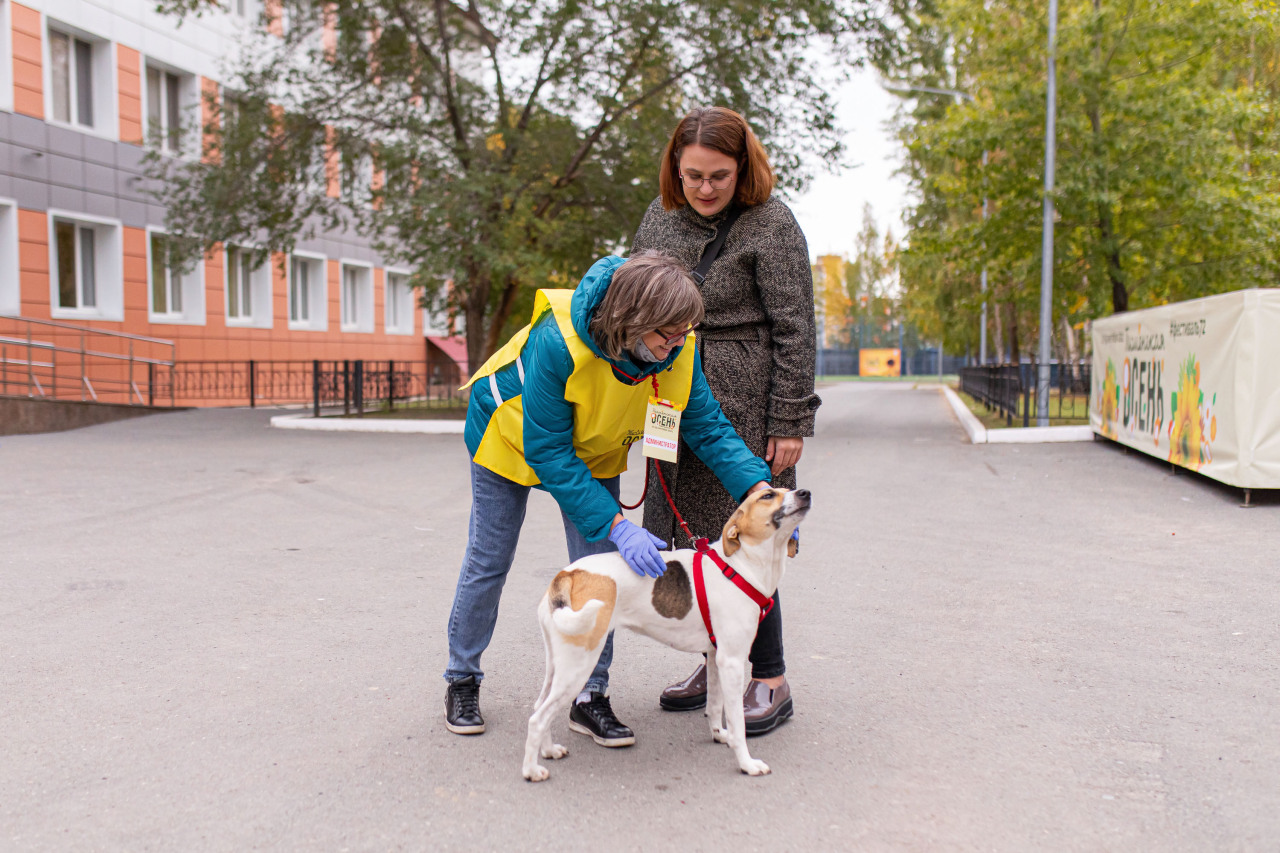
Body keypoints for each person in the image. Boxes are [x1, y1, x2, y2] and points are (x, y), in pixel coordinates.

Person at [443, 251, 772, 747]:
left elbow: (706, 426)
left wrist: (755, 485)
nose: (678, 344)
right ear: (630, 319)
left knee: (602, 573)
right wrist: (617, 524)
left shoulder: (676, 348)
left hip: (592, 448)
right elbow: (549, 452)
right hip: (509, 439)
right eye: (667, 334)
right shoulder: (560, 342)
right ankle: (462, 679)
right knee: (490, 559)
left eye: (684, 333)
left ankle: (589, 696)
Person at [632, 107, 820, 736]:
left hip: (745, 397)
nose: (706, 188)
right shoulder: (660, 217)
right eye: (693, 177)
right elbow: (634, 302)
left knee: (749, 540)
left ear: (743, 168)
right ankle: (716, 663)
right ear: (674, 171)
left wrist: (790, 417)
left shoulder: (772, 223)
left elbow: (796, 327)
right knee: (688, 541)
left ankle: (769, 679)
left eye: (718, 175)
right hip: (669, 387)